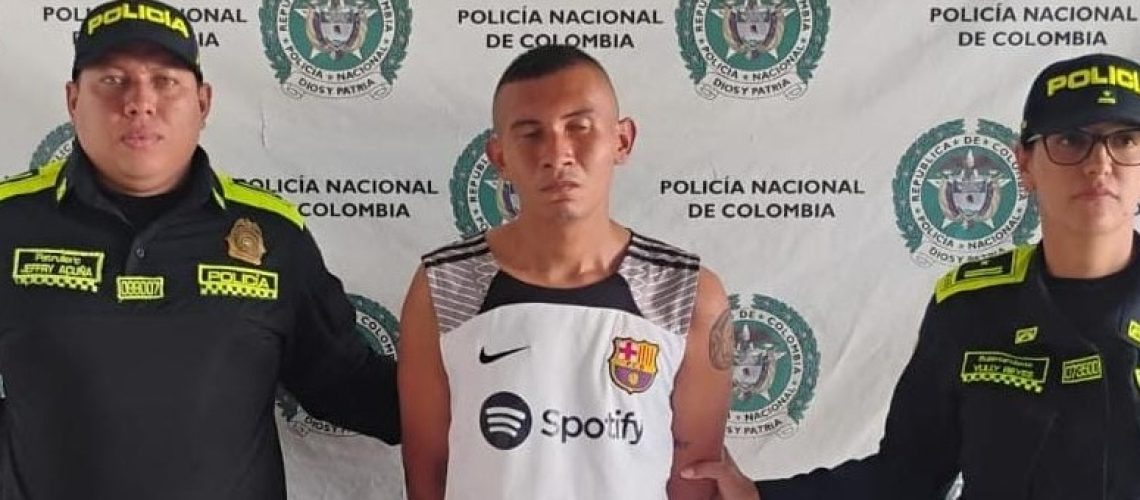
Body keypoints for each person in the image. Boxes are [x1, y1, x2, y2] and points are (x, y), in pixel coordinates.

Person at [681, 52, 1140, 500]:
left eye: (1125, 141)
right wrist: (763, 496)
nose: (1099, 165)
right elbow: (908, 476)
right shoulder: (972, 305)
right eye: (1070, 140)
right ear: (1024, 164)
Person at [0, 1, 399, 498]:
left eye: (165, 81)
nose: (139, 102)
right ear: (73, 99)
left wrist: (480, 382)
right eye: (113, 80)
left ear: (203, 103)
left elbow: (347, 384)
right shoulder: (10, 222)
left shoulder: (273, 234)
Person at [397, 44, 733, 500]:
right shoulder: (445, 286)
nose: (557, 155)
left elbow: (694, 482)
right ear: (499, 157)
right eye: (531, 133)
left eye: (579, 127)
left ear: (622, 141)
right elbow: (428, 473)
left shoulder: (687, 294)